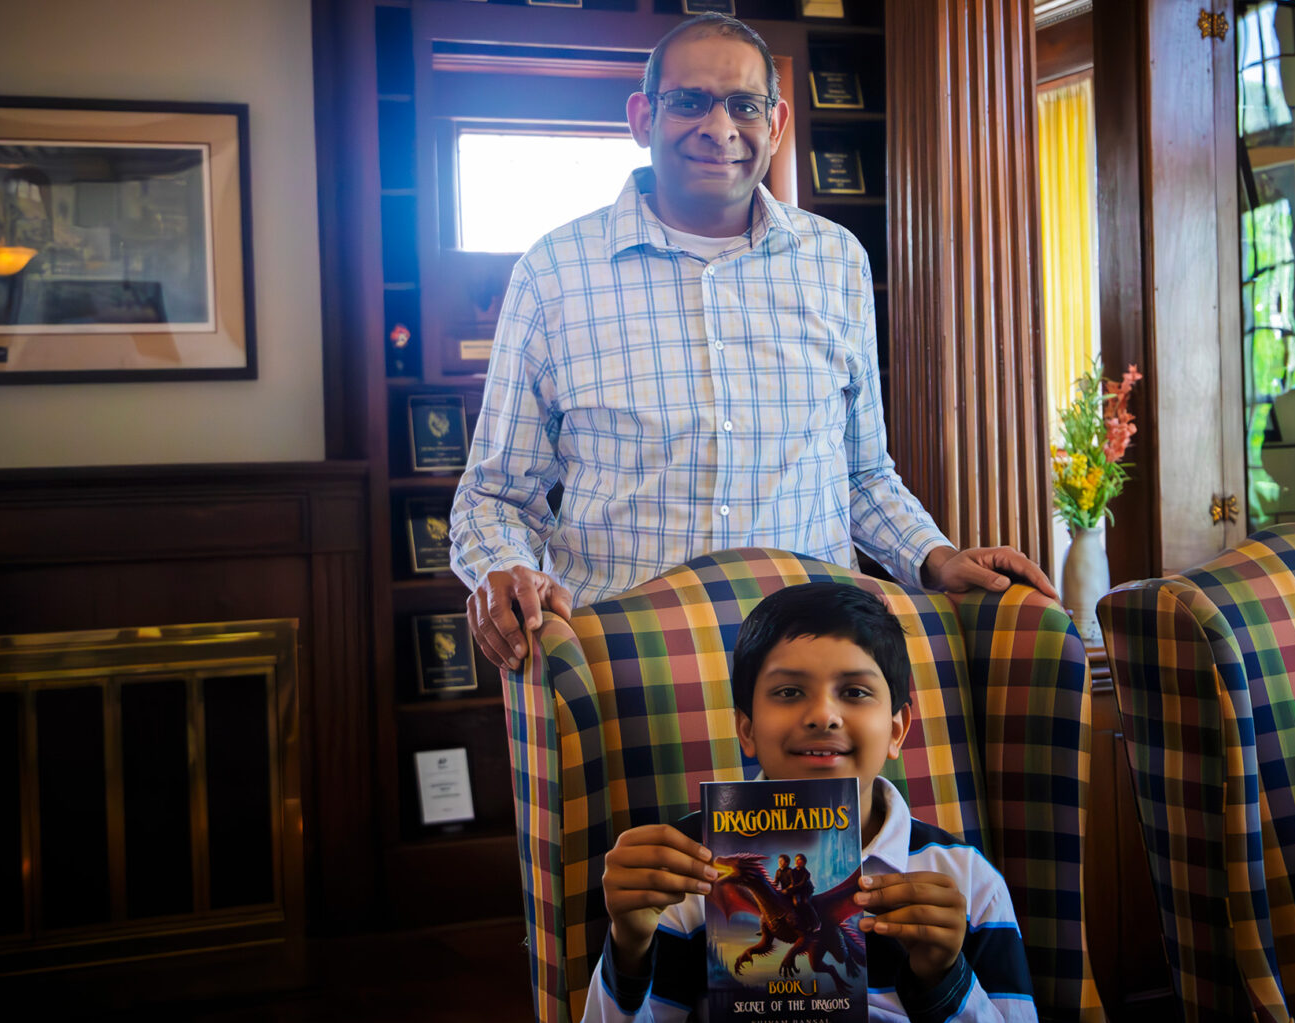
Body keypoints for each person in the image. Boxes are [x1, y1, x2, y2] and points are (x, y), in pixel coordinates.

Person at [449, 13, 1055, 670]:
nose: (720, 128)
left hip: (815, 666)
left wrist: (936, 558)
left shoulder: (837, 262)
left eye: (744, 104)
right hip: (627, 666)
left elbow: (860, 475)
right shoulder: (553, 272)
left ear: (777, 123)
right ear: (643, 118)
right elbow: (496, 493)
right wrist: (504, 569)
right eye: (690, 102)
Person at [586, 583, 1037, 1021]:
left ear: (897, 730)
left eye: (855, 692)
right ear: (746, 729)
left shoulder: (965, 879)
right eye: (789, 692)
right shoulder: (686, 867)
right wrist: (629, 944)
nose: (823, 715)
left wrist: (943, 978)